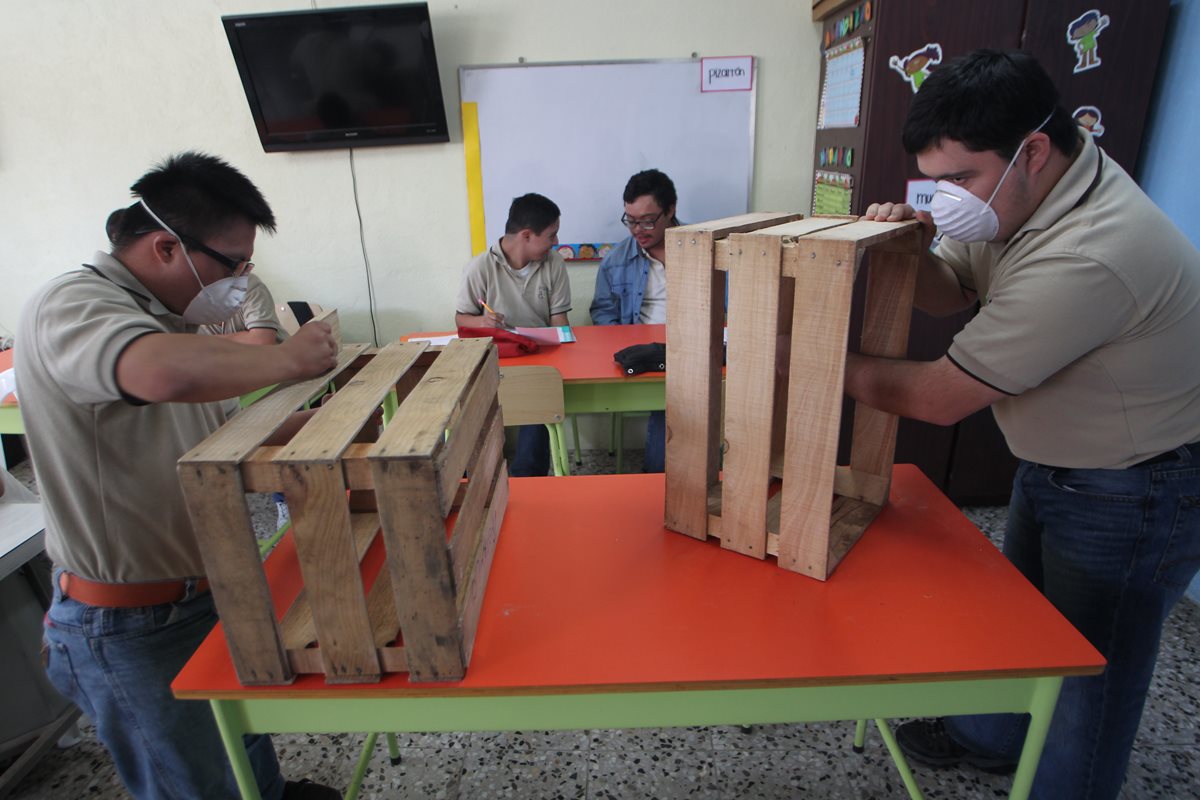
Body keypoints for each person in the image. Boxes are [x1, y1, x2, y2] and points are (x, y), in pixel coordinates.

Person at [849, 50, 1200, 800]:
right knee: (1021, 624)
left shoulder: (1092, 251)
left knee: (1087, 675)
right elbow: (950, 293)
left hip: (1134, 485)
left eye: (960, 178)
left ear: (1033, 151)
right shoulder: (1021, 195)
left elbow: (942, 397)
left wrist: (802, 361)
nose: (949, 198)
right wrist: (908, 249)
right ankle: (989, 735)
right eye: (936, 181)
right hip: (1056, 462)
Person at [16, 152, 342, 800]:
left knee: (240, 749)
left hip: (203, 594)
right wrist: (287, 361)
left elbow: (214, 436)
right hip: (131, 625)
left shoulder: (171, 325)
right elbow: (160, 375)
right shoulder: (74, 304)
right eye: (233, 263)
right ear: (168, 246)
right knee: (192, 783)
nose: (240, 280)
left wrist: (330, 436)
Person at [456, 192, 571, 477]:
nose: (556, 242)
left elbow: (560, 322)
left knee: (540, 391)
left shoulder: (553, 263)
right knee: (478, 399)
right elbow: (461, 319)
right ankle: (485, 474)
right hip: (496, 355)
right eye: (552, 235)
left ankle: (527, 477)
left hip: (540, 356)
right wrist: (482, 322)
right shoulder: (479, 268)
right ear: (527, 235)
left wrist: (563, 342)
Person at [589, 169, 679, 473]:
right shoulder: (616, 261)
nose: (638, 229)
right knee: (671, 405)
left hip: (691, 350)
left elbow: (729, 307)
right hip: (645, 355)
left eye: (648, 220)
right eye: (630, 220)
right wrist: (623, 341)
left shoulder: (705, 250)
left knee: (680, 403)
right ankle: (659, 480)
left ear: (671, 210)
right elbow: (602, 311)